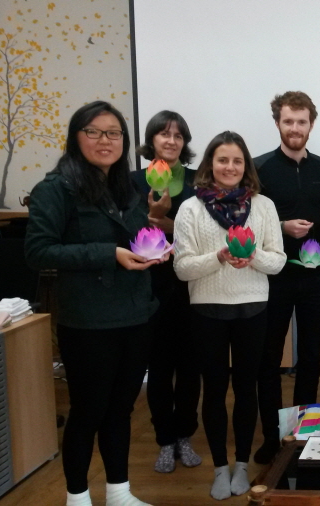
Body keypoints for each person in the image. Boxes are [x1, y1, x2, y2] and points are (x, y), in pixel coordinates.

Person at [25, 101, 159, 506]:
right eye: (94, 132)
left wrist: (154, 248)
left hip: (134, 313)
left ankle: (119, 492)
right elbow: (39, 251)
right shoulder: (56, 188)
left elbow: (133, 239)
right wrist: (109, 253)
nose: (105, 141)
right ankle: (77, 497)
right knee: (88, 411)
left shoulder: (128, 187)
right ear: (76, 137)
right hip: (88, 321)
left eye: (114, 133)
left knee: (120, 409)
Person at [173, 131, 286, 499]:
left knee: (246, 388)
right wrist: (219, 256)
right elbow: (182, 268)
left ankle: (242, 465)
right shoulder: (190, 208)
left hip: (253, 308)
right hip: (207, 311)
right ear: (210, 164)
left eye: (237, 161)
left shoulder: (264, 206)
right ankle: (220, 468)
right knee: (214, 389)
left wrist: (253, 257)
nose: (230, 167)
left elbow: (278, 261)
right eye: (223, 160)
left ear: (246, 166)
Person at [254, 91, 320, 463]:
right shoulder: (258, 168)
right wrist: (281, 226)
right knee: (268, 360)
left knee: (310, 359)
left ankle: (303, 434)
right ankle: (272, 438)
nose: (295, 128)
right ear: (277, 122)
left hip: (316, 279)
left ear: (311, 124)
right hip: (273, 278)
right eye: (288, 121)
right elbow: (249, 224)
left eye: (301, 121)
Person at [131, 110, 202, 473]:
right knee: (159, 368)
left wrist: (164, 221)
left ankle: (185, 435)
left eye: (178, 135)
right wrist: (152, 221)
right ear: (152, 140)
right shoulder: (131, 182)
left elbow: (203, 232)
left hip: (193, 287)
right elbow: (128, 231)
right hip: (150, 289)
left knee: (190, 367)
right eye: (164, 134)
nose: (171, 141)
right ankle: (164, 439)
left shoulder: (198, 181)